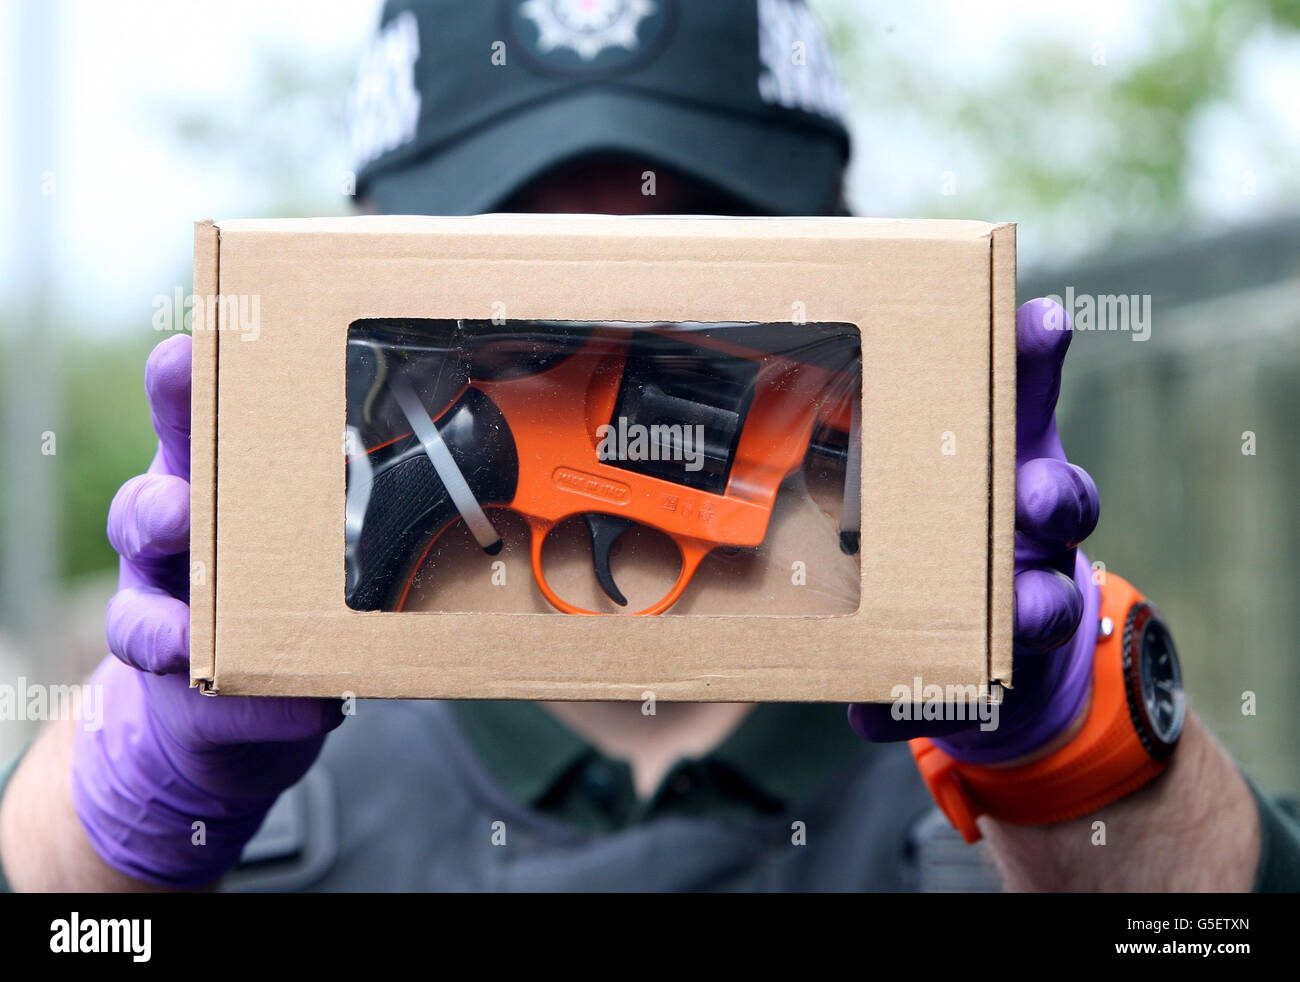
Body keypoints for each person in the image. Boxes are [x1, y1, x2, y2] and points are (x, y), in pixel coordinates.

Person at [1, 0, 1297, 892]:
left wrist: (1083, 763)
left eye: (694, 255)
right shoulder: (279, 777)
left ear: (847, 241)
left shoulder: (978, 753)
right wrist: (121, 823)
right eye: (526, 282)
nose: (609, 320)